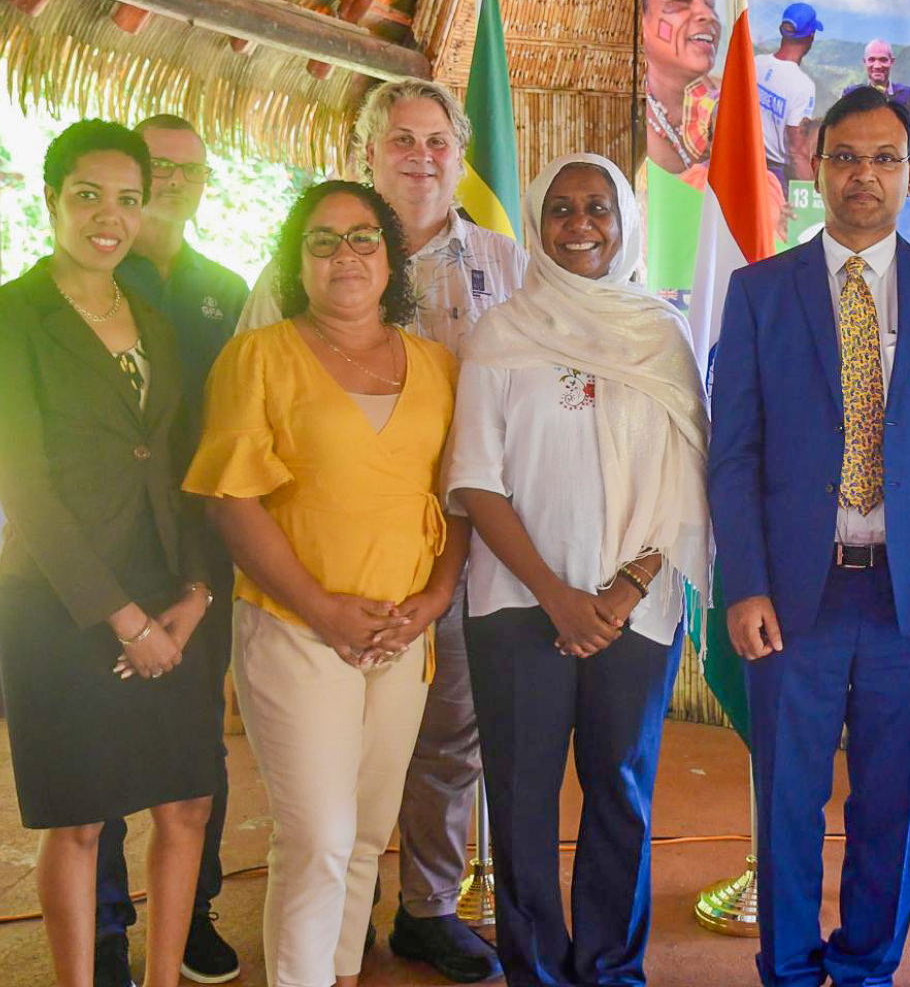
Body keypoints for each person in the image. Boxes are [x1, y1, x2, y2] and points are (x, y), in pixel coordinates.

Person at [240, 78, 525, 983]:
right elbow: (249, 417)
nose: (422, 156)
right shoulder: (296, 272)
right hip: (324, 571)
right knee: (323, 800)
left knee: (449, 739)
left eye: (439, 141)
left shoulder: (510, 266)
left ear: (460, 152)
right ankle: (334, 918)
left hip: (466, 556)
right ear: (369, 154)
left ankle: (428, 906)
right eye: (401, 140)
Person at [708, 86, 910, 987]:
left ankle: (868, 965)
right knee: (787, 797)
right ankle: (790, 969)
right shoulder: (758, 292)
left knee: (894, 800)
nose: (862, 176)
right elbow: (734, 453)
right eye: (845, 158)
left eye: (882, 160)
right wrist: (743, 584)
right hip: (796, 593)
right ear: (814, 165)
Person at [185, 181, 468, 987]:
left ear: (390, 257)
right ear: (294, 263)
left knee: (368, 832)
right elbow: (230, 502)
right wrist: (323, 609)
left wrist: (436, 598)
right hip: (296, 628)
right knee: (315, 838)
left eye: (361, 238)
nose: (344, 254)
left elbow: (463, 498)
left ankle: (340, 973)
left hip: (403, 635)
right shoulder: (259, 357)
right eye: (322, 241)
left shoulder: (438, 366)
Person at [445, 153, 711, 987]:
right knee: (521, 799)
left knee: (620, 790)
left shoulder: (659, 331)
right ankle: (536, 970)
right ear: (536, 222)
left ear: (625, 220)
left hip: (636, 606)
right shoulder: (502, 331)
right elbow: (474, 478)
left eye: (598, 207)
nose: (580, 224)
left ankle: (610, 967)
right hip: (517, 605)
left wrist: (623, 589)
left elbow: (687, 473)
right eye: (561, 209)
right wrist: (557, 597)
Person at [0, 120, 220, 987]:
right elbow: (27, 491)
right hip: (58, 601)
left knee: (187, 800)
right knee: (80, 821)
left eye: (128, 198)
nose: (109, 217)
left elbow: (181, 461)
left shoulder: (155, 323)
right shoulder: (8, 318)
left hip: (164, 589)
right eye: (89, 195)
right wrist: (123, 620)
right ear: (51, 200)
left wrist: (192, 592)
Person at [89, 113, 248, 987]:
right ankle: (107, 924)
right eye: (160, 166)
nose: (175, 180)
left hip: (199, 547)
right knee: (105, 734)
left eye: (192, 168)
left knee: (195, 746)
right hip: (107, 546)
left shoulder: (226, 286)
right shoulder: (91, 282)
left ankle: (191, 914)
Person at [641, 0, 721, 176]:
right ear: (640, 22)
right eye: (681, 0)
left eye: (710, 3)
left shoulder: (725, 100)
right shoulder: (628, 118)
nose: (707, 15)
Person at [756, 3, 821, 190]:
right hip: (773, 178)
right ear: (811, 36)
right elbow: (796, 151)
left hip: (743, 163)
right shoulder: (803, 86)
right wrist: (813, 194)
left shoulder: (755, 63)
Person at [841, 40, 910, 119]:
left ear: (891, 62)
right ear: (865, 62)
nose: (877, 66)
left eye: (883, 60)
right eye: (871, 60)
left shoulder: (908, 95)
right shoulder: (851, 94)